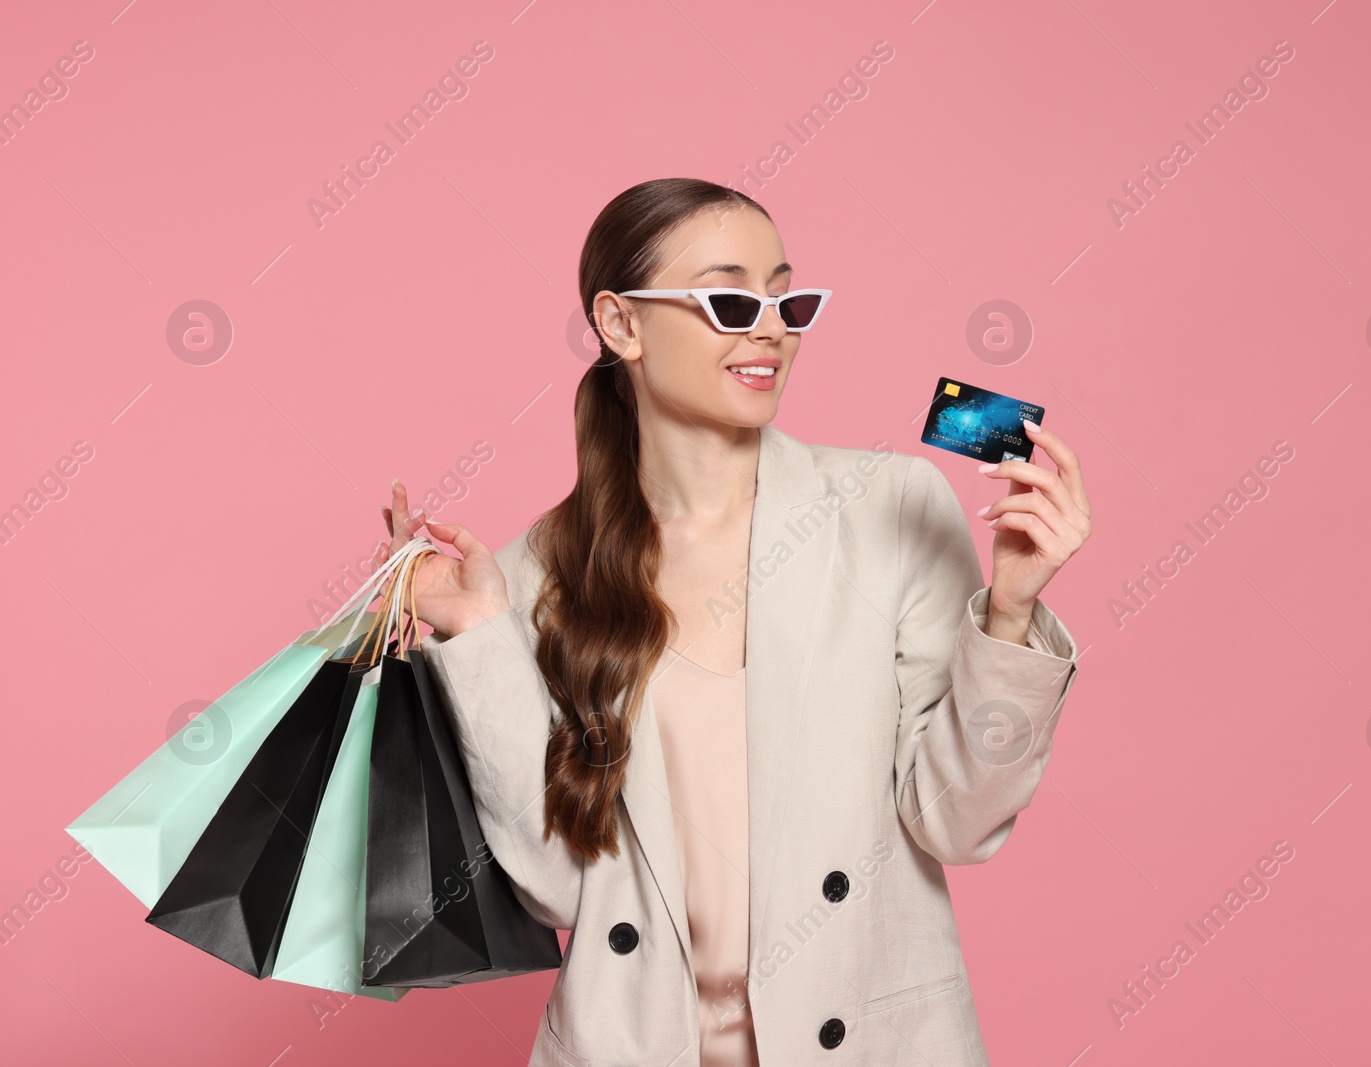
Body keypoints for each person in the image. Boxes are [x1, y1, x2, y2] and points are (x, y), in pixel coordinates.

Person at [369, 177, 1090, 1066]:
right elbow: (557, 890)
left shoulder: (893, 508)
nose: (772, 327)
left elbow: (957, 822)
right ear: (620, 324)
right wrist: (475, 629)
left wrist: (1010, 613)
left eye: (788, 299)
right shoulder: (538, 572)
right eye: (732, 298)